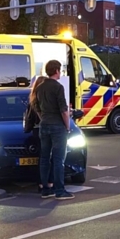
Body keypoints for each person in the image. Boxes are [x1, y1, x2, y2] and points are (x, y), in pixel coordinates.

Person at [36, 59, 74, 200]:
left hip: (44, 125)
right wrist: (68, 126)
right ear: (57, 70)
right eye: (60, 70)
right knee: (58, 159)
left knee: (44, 158)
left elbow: (37, 108)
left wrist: (44, 119)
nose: (61, 72)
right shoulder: (58, 87)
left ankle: (46, 189)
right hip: (57, 126)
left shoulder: (39, 87)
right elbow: (63, 110)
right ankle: (60, 190)